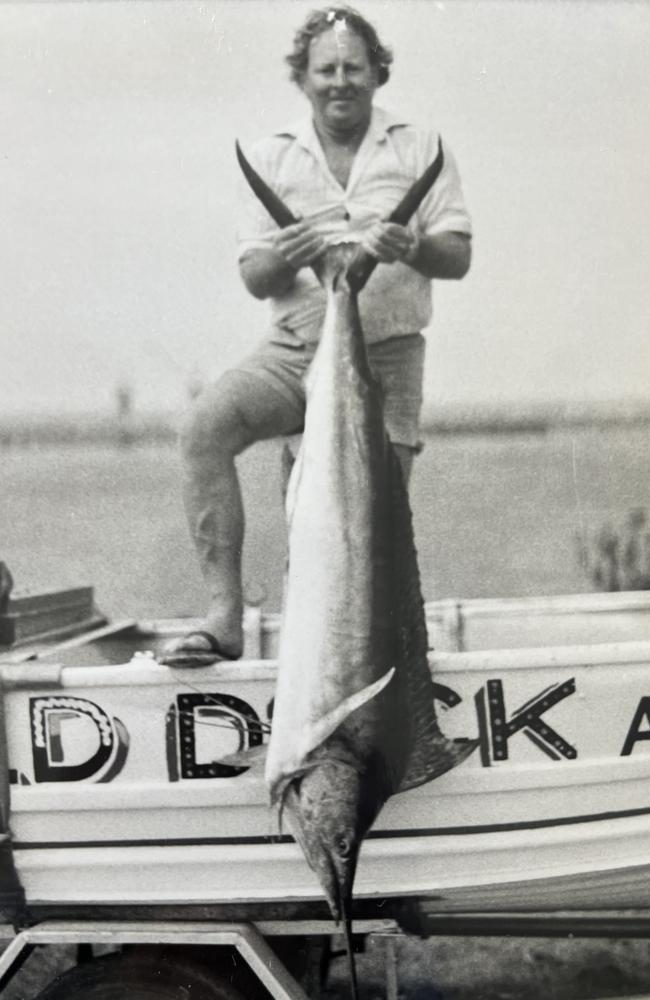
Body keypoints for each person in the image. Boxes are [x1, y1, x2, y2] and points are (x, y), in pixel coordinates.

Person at [162, 5, 472, 666]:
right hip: (293, 352)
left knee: (367, 524)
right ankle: (223, 617)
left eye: (353, 67)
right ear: (302, 78)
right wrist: (287, 253)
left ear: (377, 73)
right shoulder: (275, 155)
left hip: (384, 360)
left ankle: (365, 655)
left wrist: (413, 245)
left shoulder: (420, 148)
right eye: (325, 69)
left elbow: (459, 257)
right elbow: (255, 275)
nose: (340, 81)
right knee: (203, 431)